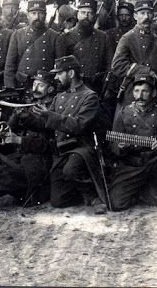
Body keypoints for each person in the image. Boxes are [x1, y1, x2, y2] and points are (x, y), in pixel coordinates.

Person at [0, 70, 57, 210]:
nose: (35, 89)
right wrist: (15, 116)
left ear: (50, 89)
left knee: (6, 178)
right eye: (34, 84)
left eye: (40, 85)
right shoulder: (29, 105)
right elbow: (8, 128)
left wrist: (19, 140)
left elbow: (48, 145)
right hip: (23, 157)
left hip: (40, 163)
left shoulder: (53, 110)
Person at [29, 56, 107, 213]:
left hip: (82, 148)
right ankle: (80, 192)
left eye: (59, 73)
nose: (56, 77)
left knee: (70, 170)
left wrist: (50, 116)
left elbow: (80, 125)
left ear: (71, 73)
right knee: (58, 201)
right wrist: (26, 119)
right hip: (63, 149)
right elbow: (48, 126)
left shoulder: (89, 96)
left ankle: (93, 197)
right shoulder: (60, 97)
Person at [108, 74, 157, 211]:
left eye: (145, 91)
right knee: (116, 204)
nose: (140, 95)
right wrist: (120, 147)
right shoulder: (123, 114)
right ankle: (145, 192)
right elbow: (113, 144)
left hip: (155, 160)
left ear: (153, 93)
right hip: (132, 164)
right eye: (136, 91)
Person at [110, 0, 157, 108]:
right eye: (142, 13)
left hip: (154, 94)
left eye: (149, 13)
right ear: (135, 16)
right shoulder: (127, 38)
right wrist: (147, 71)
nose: (146, 17)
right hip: (133, 94)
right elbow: (117, 66)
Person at [4, 0, 65, 89]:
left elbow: (61, 69)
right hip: (22, 86)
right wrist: (10, 89)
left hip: (45, 87)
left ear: (45, 15)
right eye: (33, 13)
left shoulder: (55, 37)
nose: (37, 17)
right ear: (28, 15)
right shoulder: (17, 35)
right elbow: (10, 66)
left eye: (40, 13)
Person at [59, 0, 114, 95]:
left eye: (90, 13)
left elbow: (110, 64)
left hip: (96, 87)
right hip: (73, 87)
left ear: (95, 16)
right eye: (83, 12)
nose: (86, 16)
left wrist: (109, 87)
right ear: (77, 14)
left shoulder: (103, 37)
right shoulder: (66, 37)